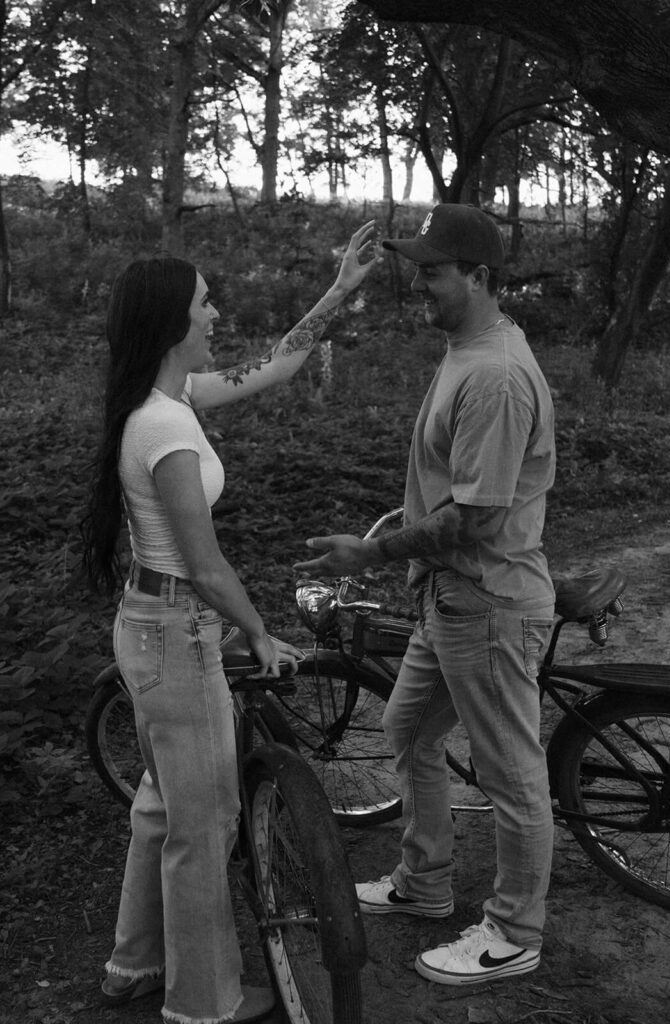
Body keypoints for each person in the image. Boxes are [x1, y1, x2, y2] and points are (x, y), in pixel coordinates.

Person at [81, 220, 379, 1024]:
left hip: (153, 627)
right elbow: (204, 566)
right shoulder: (166, 427)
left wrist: (341, 288)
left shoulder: (168, 399)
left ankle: (133, 965)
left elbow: (276, 367)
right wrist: (257, 630)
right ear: (174, 320)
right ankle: (202, 1000)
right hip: (174, 633)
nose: (217, 316)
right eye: (206, 305)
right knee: (203, 822)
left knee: (159, 804)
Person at [294, 204, 556, 988]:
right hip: (446, 601)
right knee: (407, 729)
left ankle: (513, 932)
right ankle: (425, 883)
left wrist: (372, 551)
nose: (420, 285)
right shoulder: (466, 350)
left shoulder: (497, 376)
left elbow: (476, 516)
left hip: (486, 601)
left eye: (433, 271)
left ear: (478, 277)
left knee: (511, 773)